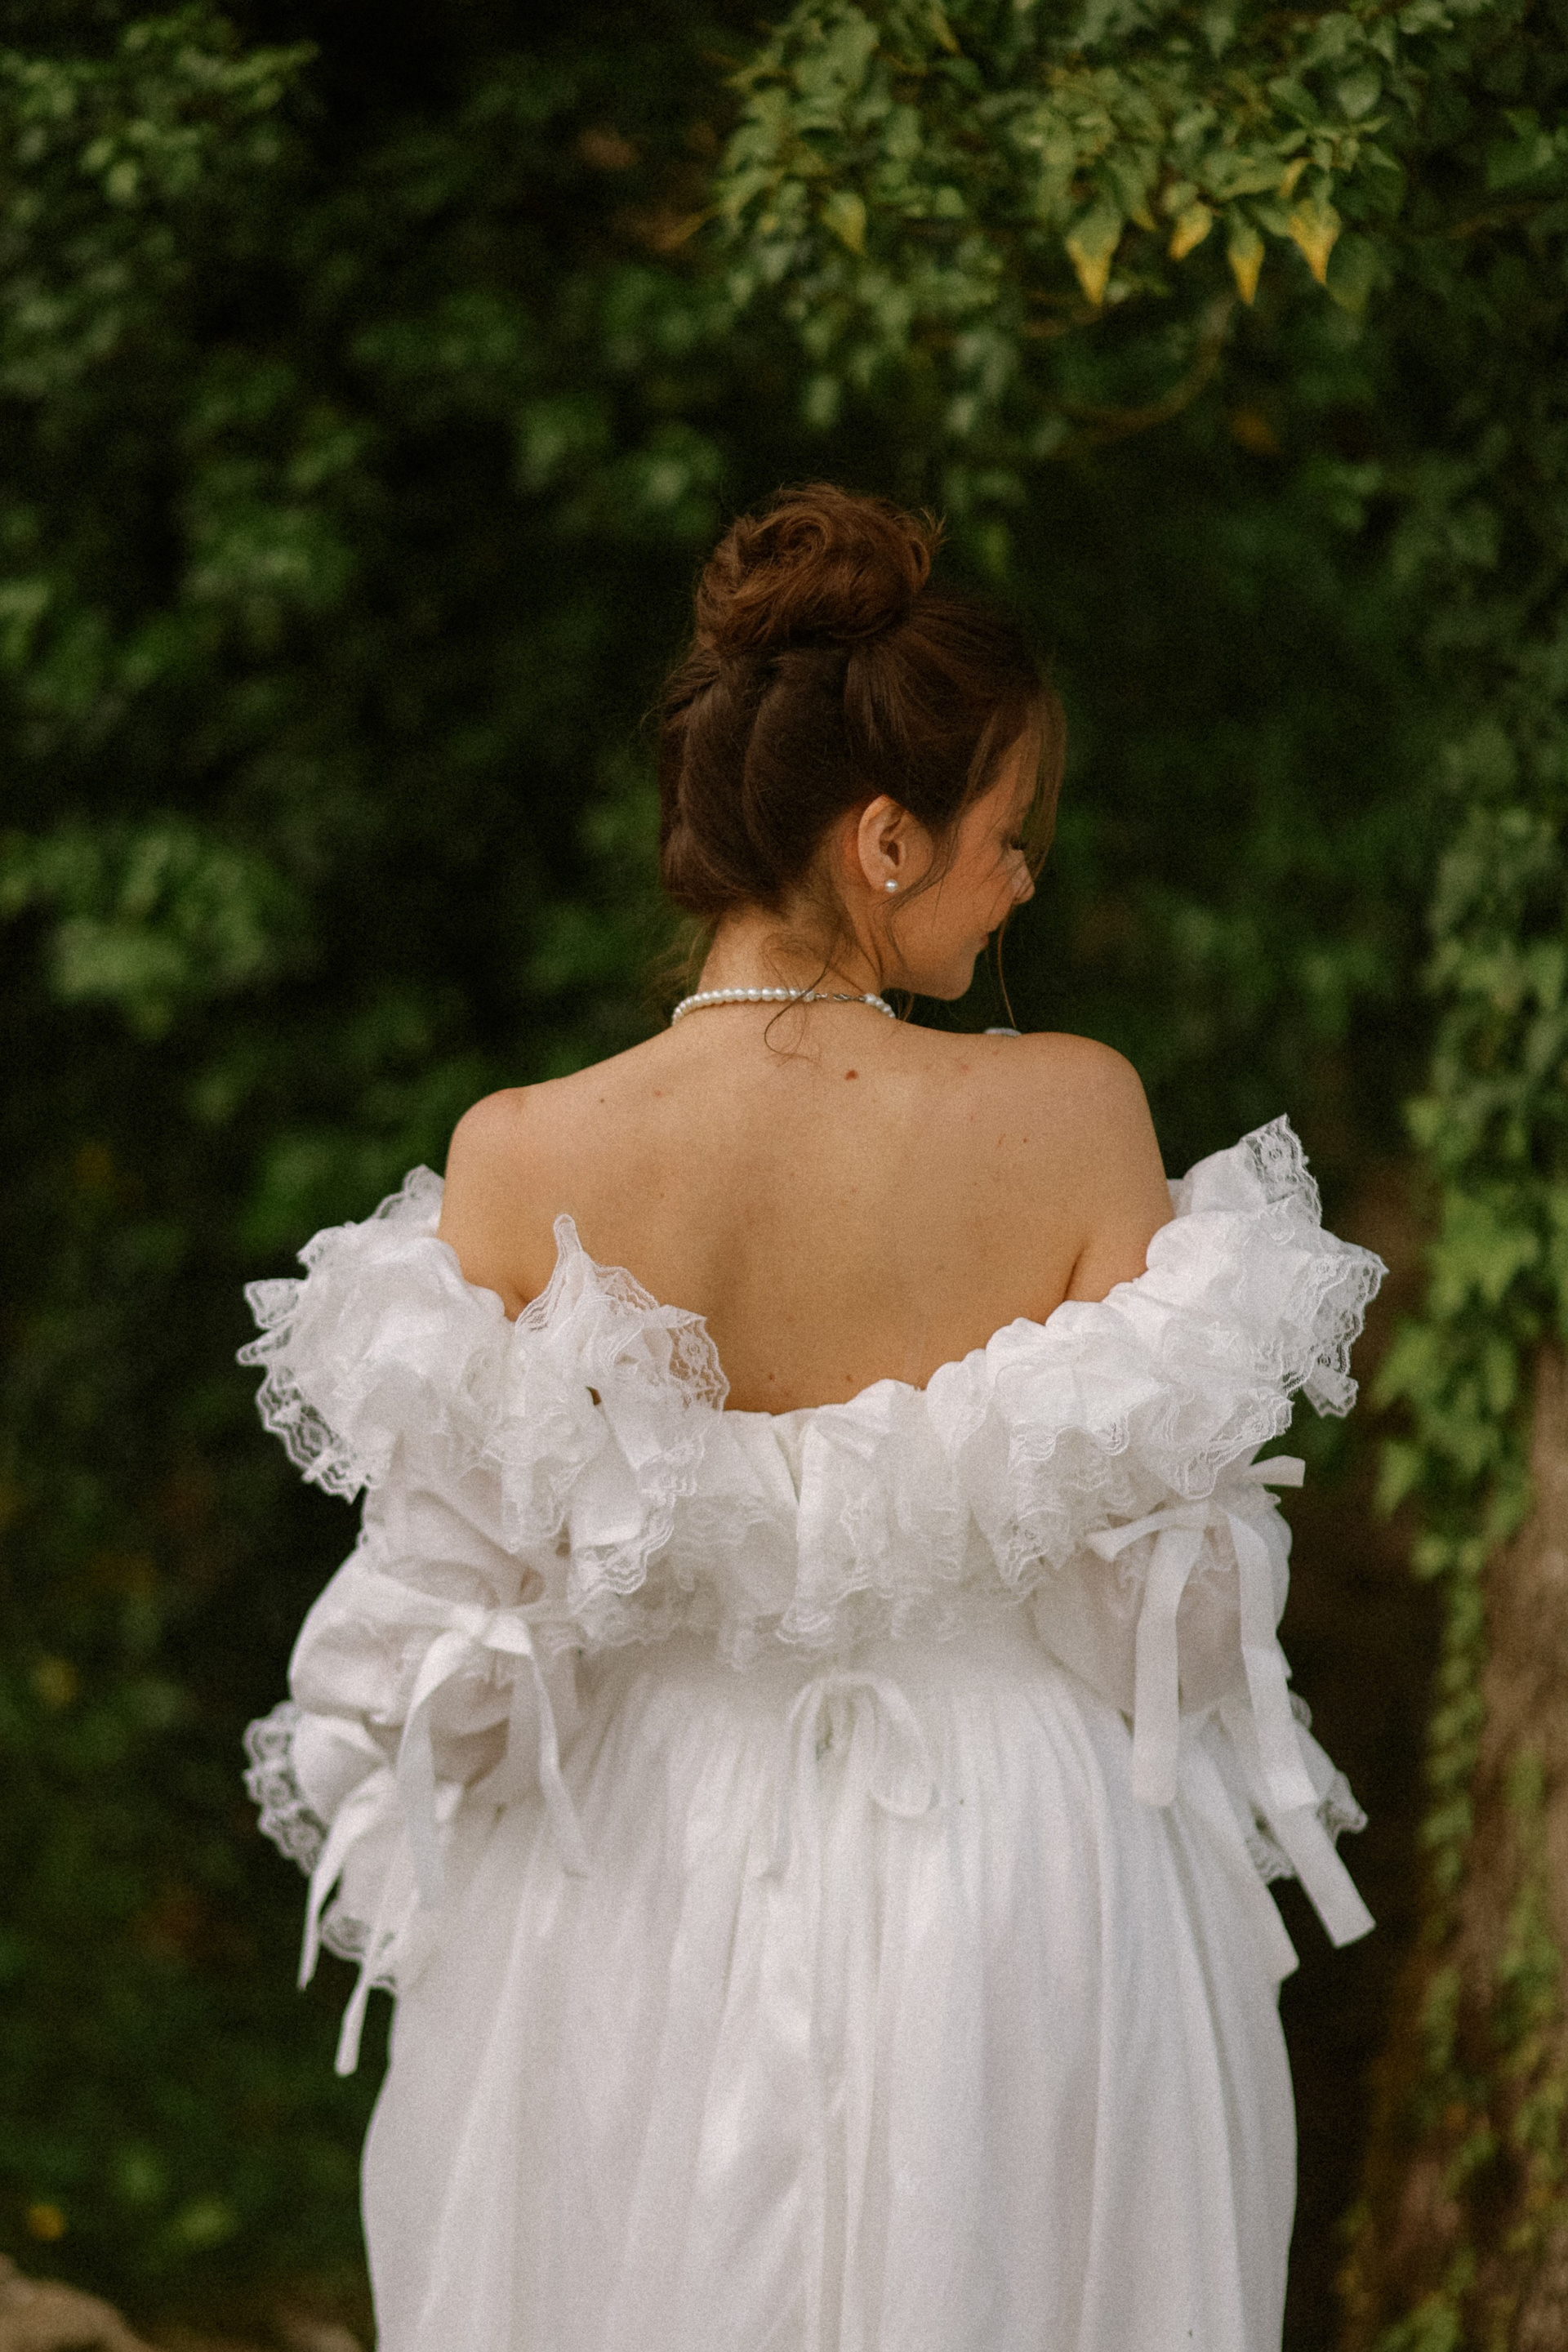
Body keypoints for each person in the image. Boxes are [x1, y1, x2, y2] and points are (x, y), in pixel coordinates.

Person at [241, 483, 1383, 2352]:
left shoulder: (519, 1156)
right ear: (886, 841)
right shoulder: (1077, 1115)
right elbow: (1158, 1622)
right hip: (1012, 1871)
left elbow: (445, 1643)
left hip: (635, 1868)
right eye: (1012, 834)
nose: (1027, 880)